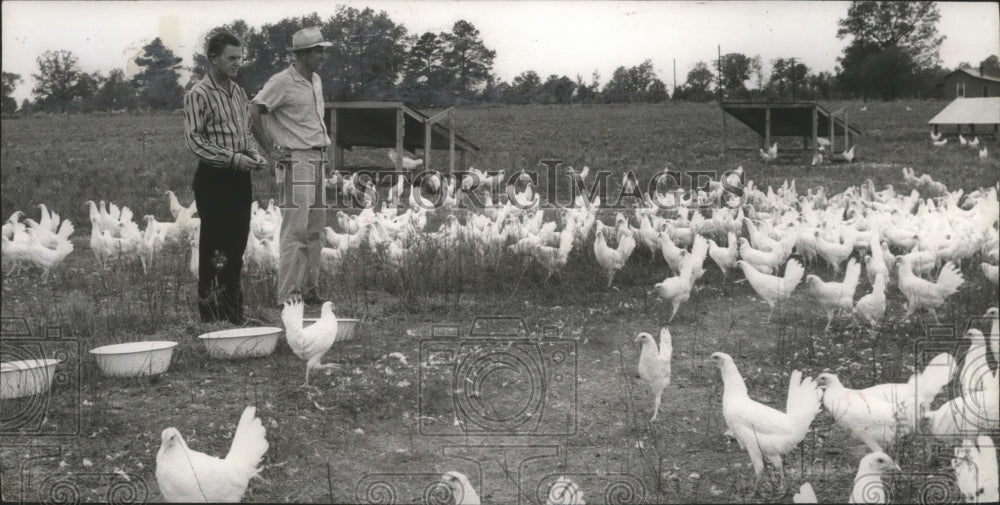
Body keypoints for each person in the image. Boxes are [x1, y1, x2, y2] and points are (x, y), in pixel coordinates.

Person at [183, 32, 267, 324]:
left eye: (240, 58)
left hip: (239, 179)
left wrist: (254, 154)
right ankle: (212, 315)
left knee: (236, 247)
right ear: (213, 58)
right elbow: (194, 141)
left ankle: (234, 315)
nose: (237, 63)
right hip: (214, 180)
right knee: (215, 250)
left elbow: (244, 132)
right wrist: (233, 158)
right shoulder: (198, 94)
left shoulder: (238, 92)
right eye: (231, 58)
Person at [251, 26, 331, 308]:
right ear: (301, 54)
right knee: (295, 230)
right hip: (297, 160)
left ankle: (309, 290)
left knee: (315, 230)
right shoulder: (282, 81)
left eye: (324, 50)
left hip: (318, 157)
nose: (323, 55)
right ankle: (287, 295)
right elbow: (254, 110)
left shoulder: (316, 80)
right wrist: (270, 150)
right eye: (318, 50)